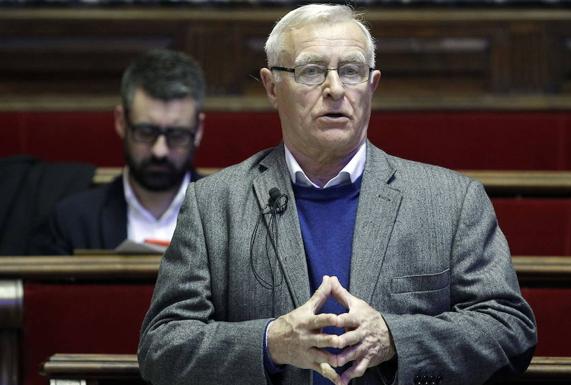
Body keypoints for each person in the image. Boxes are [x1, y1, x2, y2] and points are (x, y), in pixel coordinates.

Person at [138, 5, 537, 385]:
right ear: (272, 86)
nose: (334, 89)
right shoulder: (214, 205)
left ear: (372, 85)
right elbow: (162, 346)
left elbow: (510, 329)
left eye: (351, 71)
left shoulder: (451, 202)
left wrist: (394, 338)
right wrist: (269, 343)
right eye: (311, 71)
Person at [31, 49, 205, 254]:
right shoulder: (71, 222)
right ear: (121, 122)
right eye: (146, 132)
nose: (160, 151)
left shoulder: (231, 219)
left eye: (177, 135)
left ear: (198, 130)